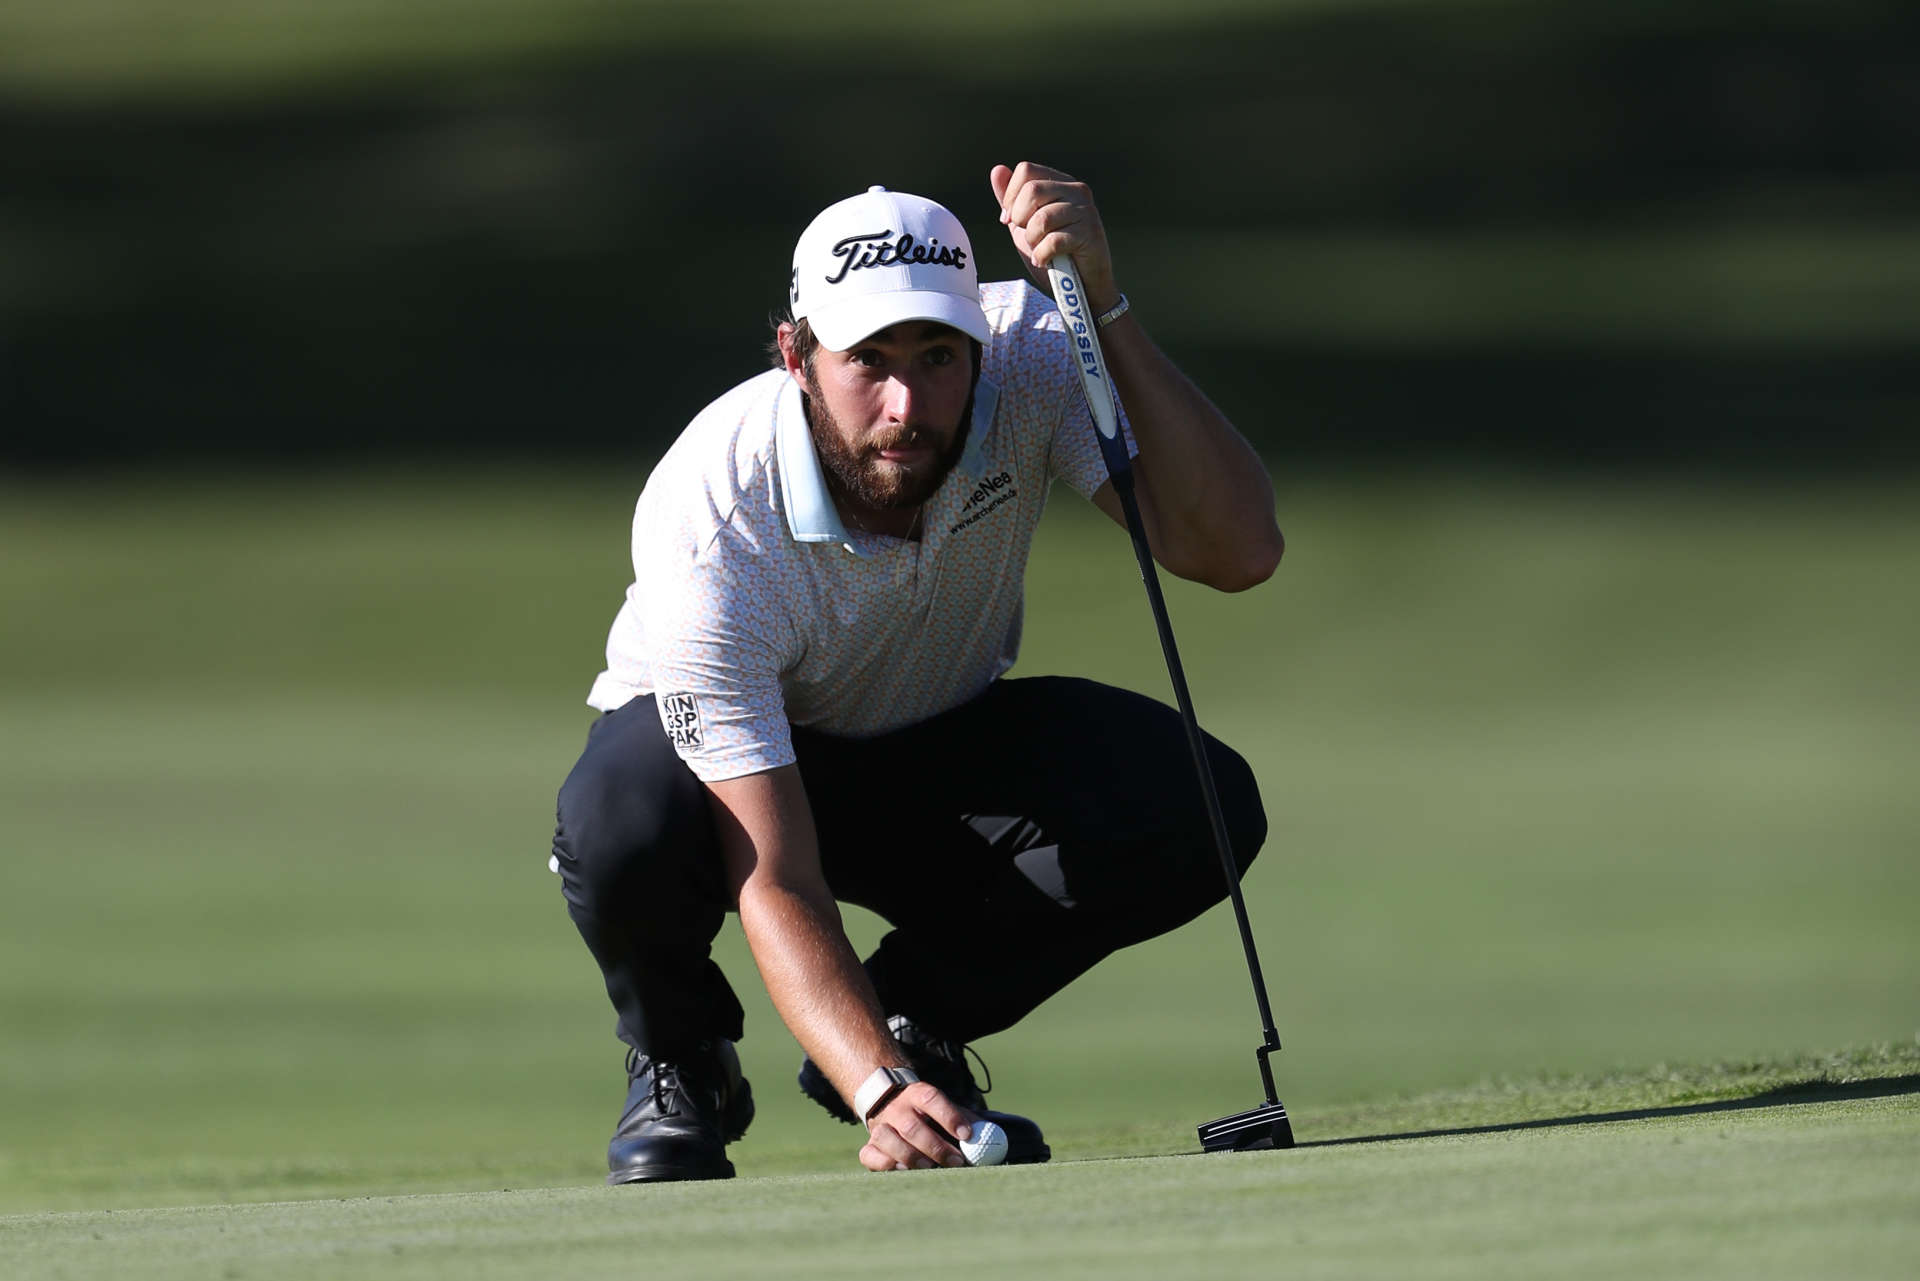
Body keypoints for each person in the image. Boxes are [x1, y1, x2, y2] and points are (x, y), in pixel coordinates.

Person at [550, 162, 1283, 1182]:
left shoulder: (1028, 355)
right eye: (868, 361)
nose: (907, 404)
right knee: (617, 813)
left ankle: (915, 1021)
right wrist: (875, 1092)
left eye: (940, 356)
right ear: (795, 355)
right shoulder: (717, 520)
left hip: (938, 740)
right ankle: (681, 1059)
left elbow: (1235, 550)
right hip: (736, 774)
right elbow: (778, 875)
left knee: (1197, 800)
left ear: (977, 346)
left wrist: (1103, 304)